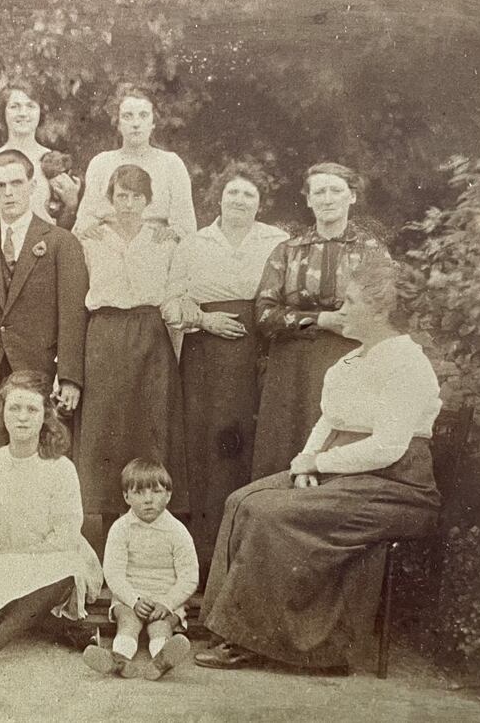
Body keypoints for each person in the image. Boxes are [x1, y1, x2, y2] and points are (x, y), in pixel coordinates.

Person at [194, 254, 442, 672]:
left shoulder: (408, 364)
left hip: (397, 488)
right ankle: (227, 625)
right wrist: (304, 465)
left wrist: (320, 463)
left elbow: (387, 447)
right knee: (242, 499)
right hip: (344, 472)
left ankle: (257, 640)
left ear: (380, 311)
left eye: (350, 302)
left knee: (269, 513)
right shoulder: (351, 360)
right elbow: (328, 420)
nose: (339, 311)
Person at [163, 161, 289, 577]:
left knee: (247, 445)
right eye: (233, 193)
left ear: (260, 203)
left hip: (258, 350)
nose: (239, 201)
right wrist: (202, 319)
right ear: (218, 197)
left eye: (248, 195)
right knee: (204, 448)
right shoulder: (195, 243)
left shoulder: (278, 241)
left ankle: (244, 560)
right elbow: (171, 300)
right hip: (205, 357)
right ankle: (200, 558)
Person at [250, 162, 390, 480]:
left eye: (336, 190)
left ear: (352, 197)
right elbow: (263, 314)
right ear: (309, 200)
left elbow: (385, 313)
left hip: (349, 361)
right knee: (284, 451)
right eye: (319, 192)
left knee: (338, 447)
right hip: (291, 368)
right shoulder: (287, 251)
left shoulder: (372, 252)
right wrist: (320, 319)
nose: (327, 199)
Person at [0, 371, 104, 671]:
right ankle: (65, 630)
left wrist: (9, 555)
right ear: (2, 414)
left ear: (46, 416)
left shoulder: (60, 468)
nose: (22, 417)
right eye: (14, 408)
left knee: (63, 570)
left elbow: (66, 539)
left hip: (49, 561)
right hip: (3, 561)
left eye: (32, 409)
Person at [76, 165, 186, 530]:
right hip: (105, 334)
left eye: (136, 196)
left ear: (147, 200)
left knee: (149, 423)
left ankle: (151, 520)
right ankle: (109, 524)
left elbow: (174, 293)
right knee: (107, 425)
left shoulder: (163, 240)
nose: (128, 204)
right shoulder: (90, 239)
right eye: (121, 195)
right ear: (110, 198)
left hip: (149, 333)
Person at [0, 149, 88, 447]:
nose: (8, 193)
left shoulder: (60, 242)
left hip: (39, 371)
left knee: (43, 458)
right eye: (0, 186)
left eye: (16, 183)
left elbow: (73, 314)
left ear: (33, 187)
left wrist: (69, 376)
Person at [83, 458, 198, 680]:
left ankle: (162, 659)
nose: (148, 500)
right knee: (127, 622)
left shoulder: (177, 531)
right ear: (126, 496)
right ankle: (119, 659)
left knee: (161, 626)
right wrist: (133, 599)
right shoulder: (120, 529)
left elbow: (189, 577)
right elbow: (113, 573)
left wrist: (168, 602)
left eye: (156, 492)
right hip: (130, 596)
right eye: (139, 493)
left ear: (168, 495)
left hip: (165, 598)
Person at [72, 84, 196, 240]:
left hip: (156, 245)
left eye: (143, 115)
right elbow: (85, 218)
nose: (136, 123)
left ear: (153, 122)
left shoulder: (171, 164)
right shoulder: (101, 163)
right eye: (127, 116)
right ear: (118, 124)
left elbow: (186, 224)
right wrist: (88, 228)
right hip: (108, 245)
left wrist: (173, 233)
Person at [0, 84, 54, 242]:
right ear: (3, 113)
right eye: (14, 107)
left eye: (30, 106)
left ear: (40, 112)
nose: (23, 113)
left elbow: (67, 221)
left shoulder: (53, 160)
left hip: (44, 252)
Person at [39, 149, 83, 230]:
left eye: (51, 162)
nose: (45, 164)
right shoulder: (43, 177)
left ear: (62, 167)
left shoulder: (61, 180)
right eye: (46, 160)